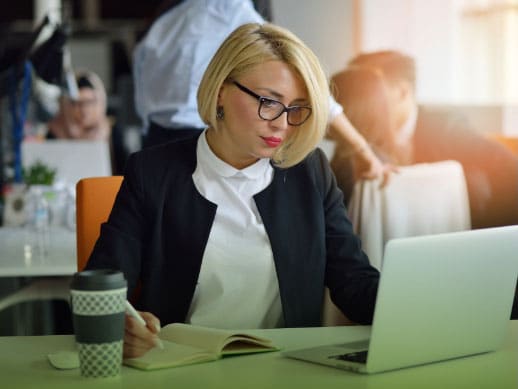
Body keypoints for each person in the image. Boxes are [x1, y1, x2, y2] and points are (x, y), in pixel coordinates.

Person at [86, 22, 380, 358]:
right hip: (179, 368)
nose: (281, 124)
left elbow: (353, 281)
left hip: (285, 370)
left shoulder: (309, 172)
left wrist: (416, 310)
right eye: (269, 101)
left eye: (296, 108)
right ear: (222, 90)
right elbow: (101, 287)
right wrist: (120, 326)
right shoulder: (153, 172)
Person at [133, 0, 391, 182]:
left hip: (156, 139)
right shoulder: (230, 10)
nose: (282, 124)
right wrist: (363, 151)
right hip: (207, 143)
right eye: (268, 101)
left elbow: (141, 91)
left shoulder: (163, 22)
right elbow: (321, 97)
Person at [330, 50, 518, 229]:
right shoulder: (357, 142)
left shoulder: (445, 128)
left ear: (403, 92)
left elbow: (506, 165)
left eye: (369, 87)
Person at [47, 69, 111, 141]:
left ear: (100, 104)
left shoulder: (112, 133)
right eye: (78, 103)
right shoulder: (55, 131)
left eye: (89, 102)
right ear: (67, 105)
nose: (84, 109)